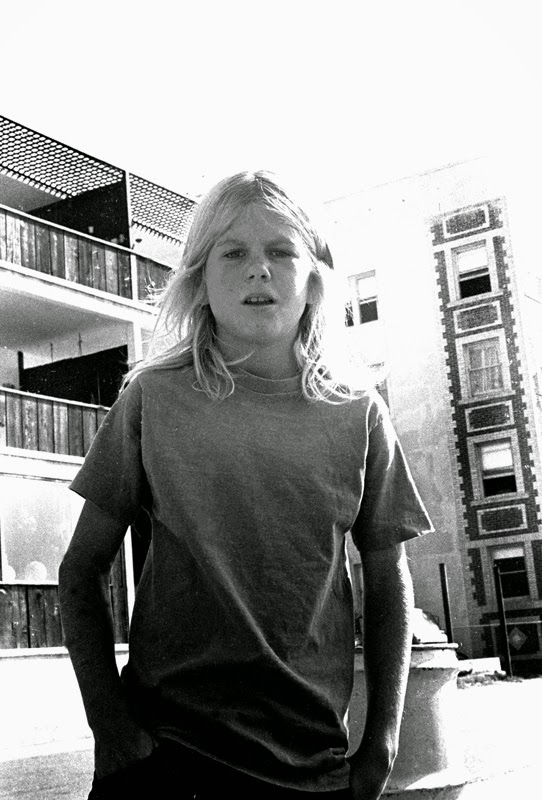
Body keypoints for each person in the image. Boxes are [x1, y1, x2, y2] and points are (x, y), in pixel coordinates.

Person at [59, 171, 433, 800]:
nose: (258, 269)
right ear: (199, 281)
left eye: (281, 251)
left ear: (315, 280)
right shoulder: (153, 398)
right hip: (167, 759)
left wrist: (384, 741)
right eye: (233, 252)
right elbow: (80, 568)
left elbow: (387, 571)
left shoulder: (359, 412)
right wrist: (112, 727)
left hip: (311, 766)